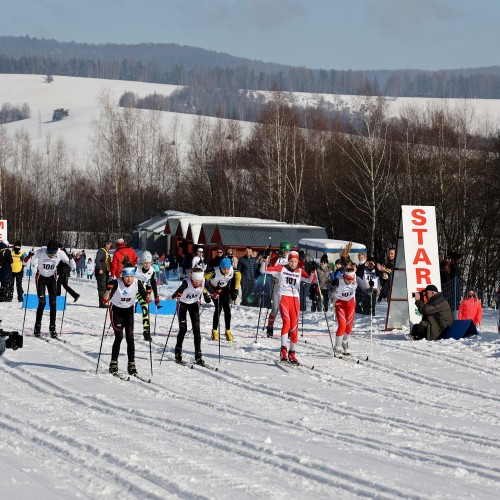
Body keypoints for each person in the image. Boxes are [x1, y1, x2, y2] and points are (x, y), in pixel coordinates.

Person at [261, 250, 316, 364]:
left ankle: (292, 352)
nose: (292, 263)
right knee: (286, 322)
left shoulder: (300, 271)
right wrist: (265, 260)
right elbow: (264, 270)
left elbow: (311, 280)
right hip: (284, 298)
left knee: (294, 326)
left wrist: (313, 270)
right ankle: (283, 350)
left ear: (297, 262)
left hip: (295, 299)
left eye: (295, 261)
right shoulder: (282, 268)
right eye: (291, 261)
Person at [103, 266, 152, 376]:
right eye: (126, 277)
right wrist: (108, 289)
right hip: (116, 310)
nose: (129, 279)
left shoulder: (137, 283)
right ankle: (113, 363)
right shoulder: (117, 283)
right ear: (122, 276)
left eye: (131, 276)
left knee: (130, 337)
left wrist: (149, 292)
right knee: (119, 336)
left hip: (129, 311)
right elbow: (105, 299)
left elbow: (147, 300)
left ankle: (131, 363)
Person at [33, 240, 76, 338]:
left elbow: (73, 266)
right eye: (50, 253)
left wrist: (71, 259)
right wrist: (29, 256)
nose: (51, 255)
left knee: (53, 303)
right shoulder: (41, 251)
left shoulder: (60, 253)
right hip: (41, 278)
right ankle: (37, 327)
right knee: (42, 303)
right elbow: (26, 261)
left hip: (52, 278)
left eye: (53, 253)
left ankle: (52, 328)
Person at [331, 267, 373, 357]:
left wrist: (371, 288)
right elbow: (330, 292)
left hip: (350, 303)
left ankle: (344, 343)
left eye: (351, 279)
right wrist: (332, 286)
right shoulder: (339, 279)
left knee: (349, 326)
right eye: (348, 279)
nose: (350, 282)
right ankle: (337, 348)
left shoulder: (357, 279)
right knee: (342, 325)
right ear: (344, 277)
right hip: (340, 303)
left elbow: (367, 291)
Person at [171, 267, 208, 366]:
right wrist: (177, 294)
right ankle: (178, 352)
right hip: (182, 305)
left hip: (194, 305)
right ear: (192, 279)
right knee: (183, 329)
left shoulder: (203, 281)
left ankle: (198, 355)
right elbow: (175, 293)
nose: (198, 284)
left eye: (199, 281)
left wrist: (212, 295)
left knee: (197, 329)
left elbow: (211, 289)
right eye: (196, 282)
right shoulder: (187, 282)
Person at [204, 257, 241, 342]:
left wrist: (235, 290)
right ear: (221, 267)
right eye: (224, 269)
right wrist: (205, 293)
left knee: (227, 309)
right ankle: (214, 331)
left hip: (224, 288)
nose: (226, 271)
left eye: (228, 269)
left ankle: (227, 331)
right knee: (218, 308)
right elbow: (203, 279)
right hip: (213, 288)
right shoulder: (214, 271)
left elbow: (239, 276)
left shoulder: (232, 270)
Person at [265, 240, 291, 337]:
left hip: (287, 285)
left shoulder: (290, 258)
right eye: (284, 251)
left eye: (287, 251)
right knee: (275, 308)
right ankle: (270, 327)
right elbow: (271, 266)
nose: (285, 253)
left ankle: (288, 328)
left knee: (287, 309)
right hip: (277, 283)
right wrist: (268, 255)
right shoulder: (277, 258)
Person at [135, 251, 161, 341]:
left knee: (145, 309)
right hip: (134, 290)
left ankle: (146, 332)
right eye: (145, 262)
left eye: (148, 263)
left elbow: (153, 284)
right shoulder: (137, 269)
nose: (146, 265)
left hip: (144, 291)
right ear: (142, 262)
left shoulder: (152, 271)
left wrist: (156, 296)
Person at [95, 241, 112, 308]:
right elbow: (97, 260)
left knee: (105, 287)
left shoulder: (106, 252)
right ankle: (102, 303)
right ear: (106, 245)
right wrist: (100, 268)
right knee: (102, 287)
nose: (110, 245)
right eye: (109, 244)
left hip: (105, 272)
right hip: (101, 272)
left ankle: (104, 302)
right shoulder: (101, 251)